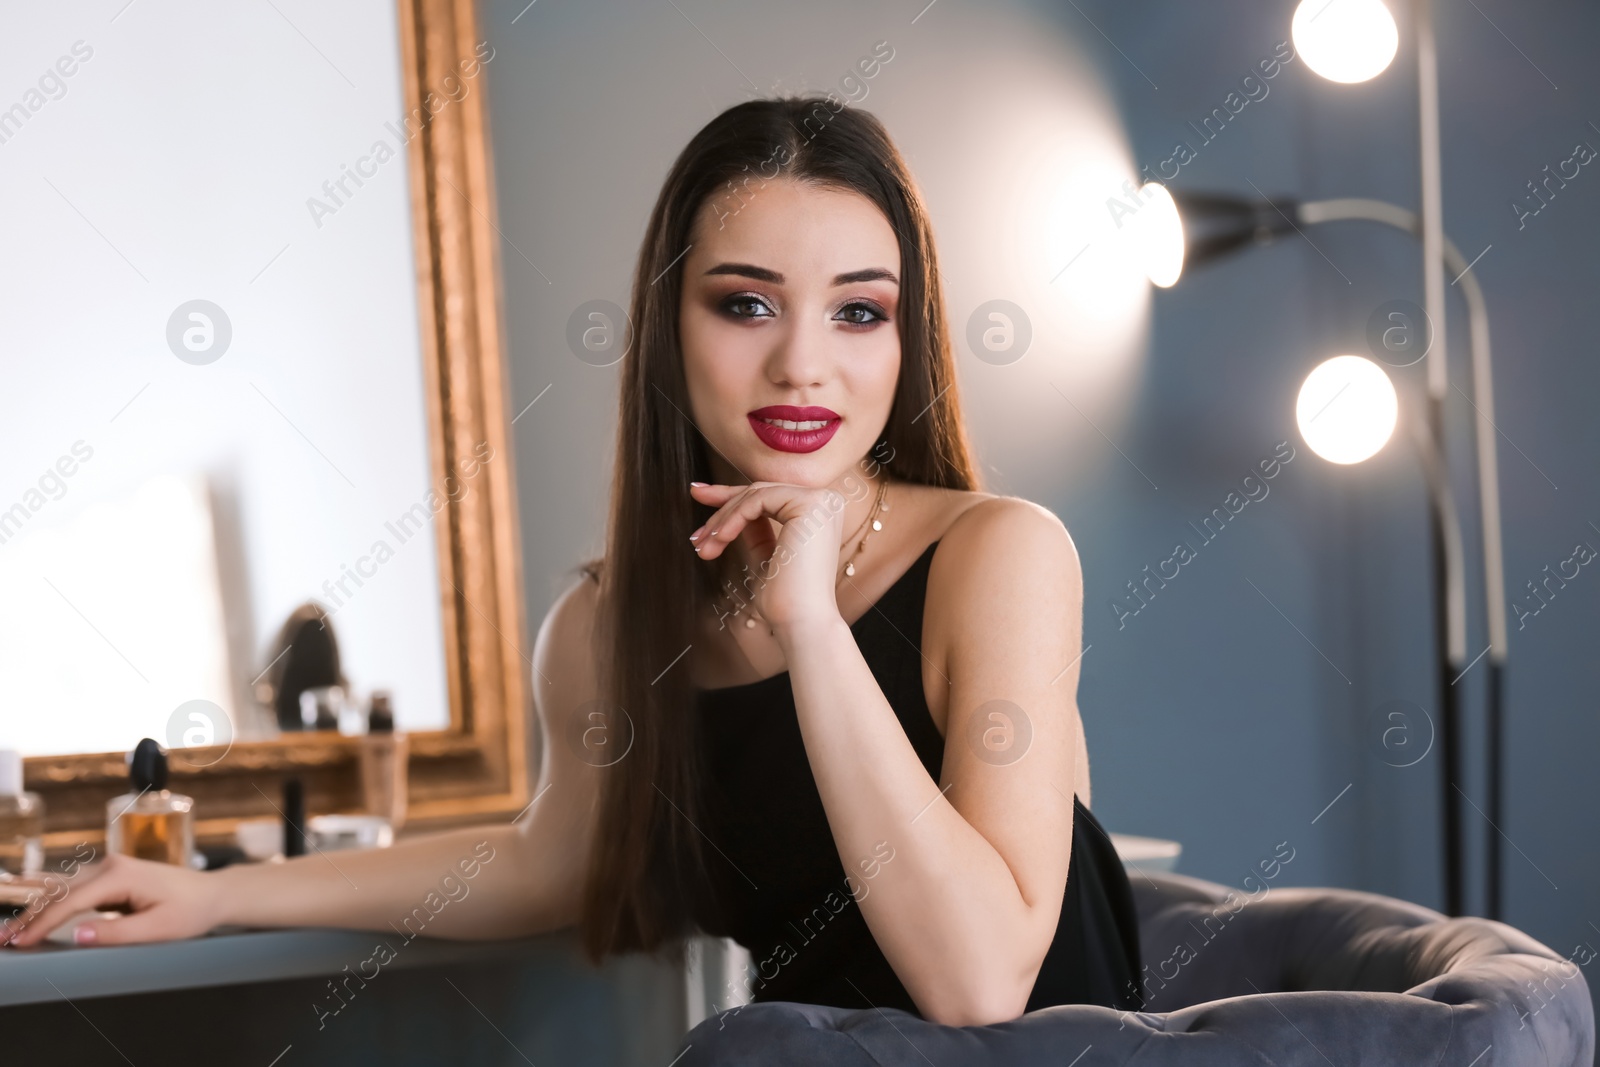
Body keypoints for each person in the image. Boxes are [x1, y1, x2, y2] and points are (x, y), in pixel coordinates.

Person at [3, 95, 1140, 1029]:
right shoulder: (606, 627)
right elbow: (550, 863)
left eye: (859, 313)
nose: (804, 363)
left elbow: (979, 984)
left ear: (907, 336)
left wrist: (809, 622)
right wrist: (211, 896)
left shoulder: (1000, 554)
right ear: (667, 325)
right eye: (746, 303)